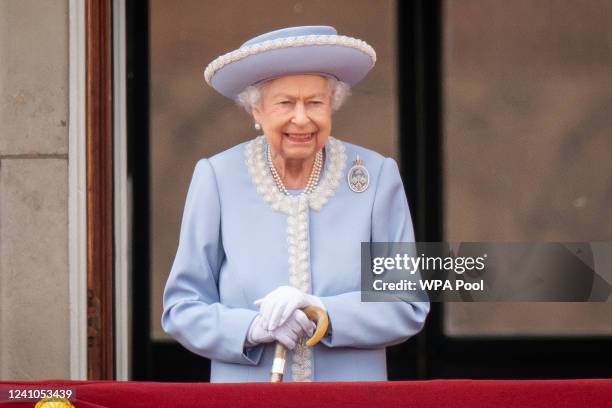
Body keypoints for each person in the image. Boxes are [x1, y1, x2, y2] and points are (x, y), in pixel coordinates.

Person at [161, 25, 429, 382]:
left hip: (349, 397)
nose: (301, 118)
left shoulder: (376, 177)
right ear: (256, 110)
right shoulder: (218, 178)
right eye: (285, 103)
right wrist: (251, 328)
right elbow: (181, 308)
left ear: (332, 105)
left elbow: (406, 305)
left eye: (315, 103)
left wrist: (324, 311)